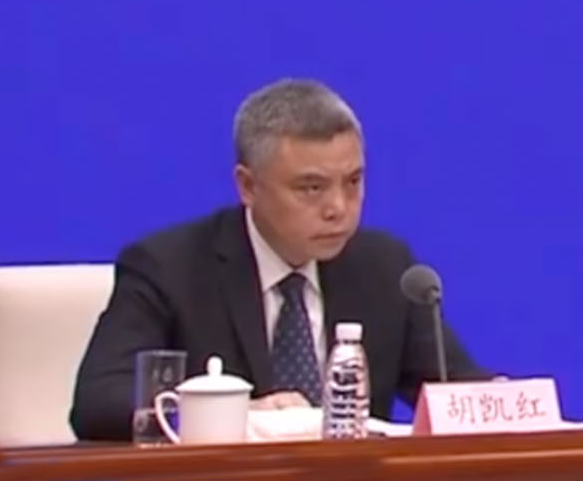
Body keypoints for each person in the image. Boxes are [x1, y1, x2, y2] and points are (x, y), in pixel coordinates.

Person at [70, 79, 488, 440]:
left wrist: (505, 403)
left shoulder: (385, 267)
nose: (339, 207)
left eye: (353, 181)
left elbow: (457, 394)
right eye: (312, 188)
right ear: (248, 186)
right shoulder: (169, 267)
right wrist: (228, 413)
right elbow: (98, 401)